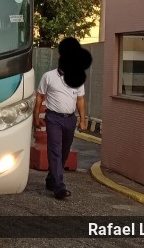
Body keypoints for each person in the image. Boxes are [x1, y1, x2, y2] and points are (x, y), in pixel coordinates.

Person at [33, 37, 92, 200]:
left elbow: (80, 99)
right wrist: (36, 117)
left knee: (64, 152)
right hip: (53, 118)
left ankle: (52, 178)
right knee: (55, 151)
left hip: (70, 119)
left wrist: (82, 119)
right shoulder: (48, 76)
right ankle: (59, 187)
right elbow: (39, 97)